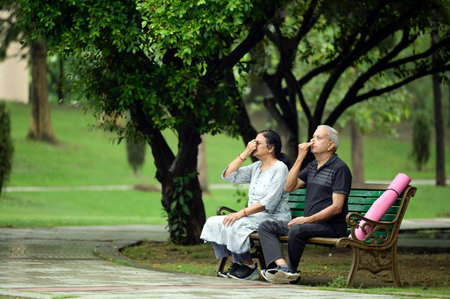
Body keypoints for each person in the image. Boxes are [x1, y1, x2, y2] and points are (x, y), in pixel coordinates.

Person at [258, 125, 352, 284]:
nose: (312, 141)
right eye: (313, 137)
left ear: (330, 145)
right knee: (265, 226)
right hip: (310, 224)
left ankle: (292, 272)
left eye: (318, 138)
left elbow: (337, 207)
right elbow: (288, 187)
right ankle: (283, 268)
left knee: (297, 228)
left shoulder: (339, 168)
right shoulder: (312, 166)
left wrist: (307, 220)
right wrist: (301, 157)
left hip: (331, 226)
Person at [200, 130, 292, 281]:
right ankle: (239, 262)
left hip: (273, 217)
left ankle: (249, 267)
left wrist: (241, 213)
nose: (253, 145)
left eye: (258, 143)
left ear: (271, 148)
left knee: (236, 224)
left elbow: (269, 202)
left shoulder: (280, 168)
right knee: (214, 222)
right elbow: (229, 176)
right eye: (253, 142)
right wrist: (245, 153)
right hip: (252, 216)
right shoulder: (257, 167)